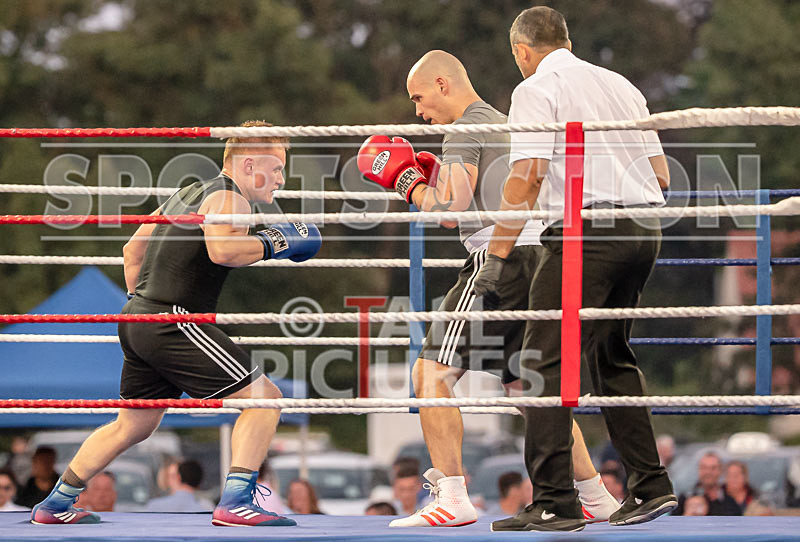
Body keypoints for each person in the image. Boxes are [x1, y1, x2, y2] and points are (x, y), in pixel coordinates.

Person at [357, 49, 619, 528]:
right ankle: (597, 495)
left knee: (430, 374)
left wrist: (408, 184)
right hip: (540, 259)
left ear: (442, 83)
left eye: (419, 97)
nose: (417, 110)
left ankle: (453, 496)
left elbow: (450, 206)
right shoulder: (506, 123)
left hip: (499, 259)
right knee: (527, 389)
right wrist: (433, 176)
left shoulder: (464, 127)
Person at [30, 120, 321, 527]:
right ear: (249, 163)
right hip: (171, 318)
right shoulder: (231, 198)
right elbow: (222, 251)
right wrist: (278, 242)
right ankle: (236, 501)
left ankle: (56, 503)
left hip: (136, 317)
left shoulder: (187, 194)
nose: (281, 180)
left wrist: (142, 306)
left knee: (133, 425)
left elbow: (133, 249)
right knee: (265, 399)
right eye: (276, 169)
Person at [473, 7, 674, 532]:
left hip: (585, 233)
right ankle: (651, 487)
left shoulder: (537, 87)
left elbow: (529, 174)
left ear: (521, 50)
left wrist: (496, 256)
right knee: (612, 356)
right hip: (643, 230)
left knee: (539, 362)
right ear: (566, 38)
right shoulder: (621, 85)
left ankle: (555, 500)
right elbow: (661, 174)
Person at [674, 452, 741, 516]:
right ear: (699, 470)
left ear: (720, 471)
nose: (708, 472)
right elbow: (671, 525)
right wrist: (686, 516)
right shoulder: (685, 498)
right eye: (704, 467)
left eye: (713, 468)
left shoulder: (730, 503)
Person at [144, 460, 214, 512]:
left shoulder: (155, 506)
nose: (168, 480)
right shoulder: (207, 508)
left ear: (178, 477)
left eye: (172, 476)